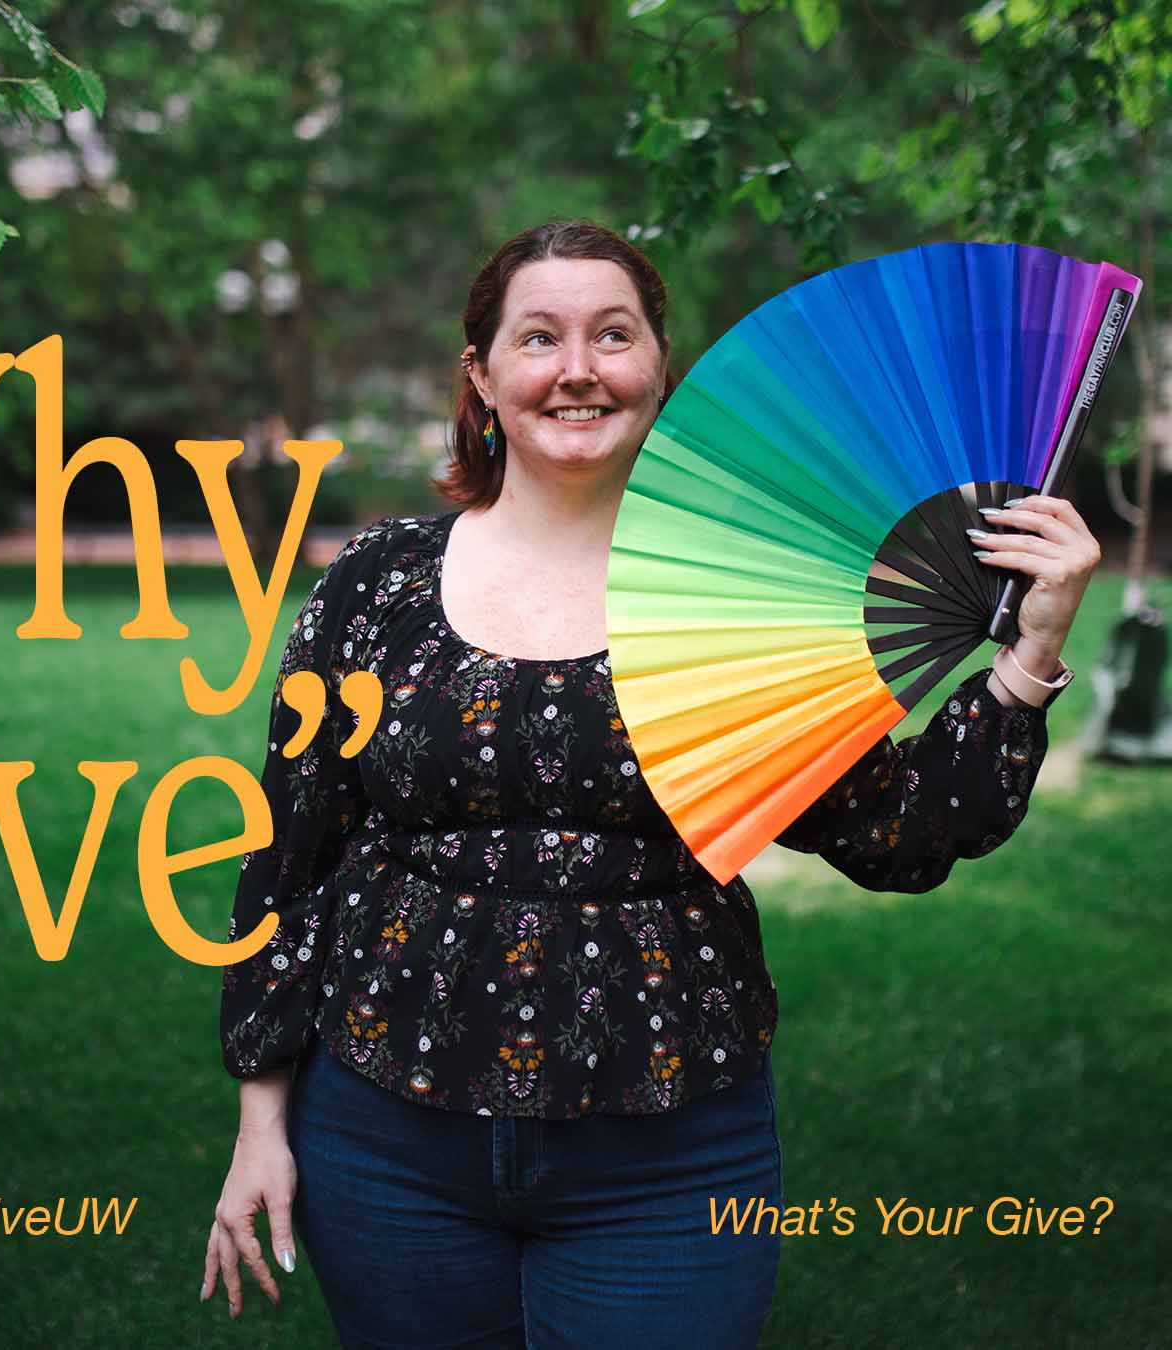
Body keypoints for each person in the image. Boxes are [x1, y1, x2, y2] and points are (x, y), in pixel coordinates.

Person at [198, 219, 1099, 1347]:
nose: (578, 368)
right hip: (385, 1142)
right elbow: (291, 855)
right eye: (540, 338)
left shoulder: (737, 601)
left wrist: (1028, 658)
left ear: (660, 366)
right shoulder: (378, 582)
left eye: (612, 335)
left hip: (668, 1156)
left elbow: (897, 837)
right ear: (482, 376)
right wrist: (260, 1116)